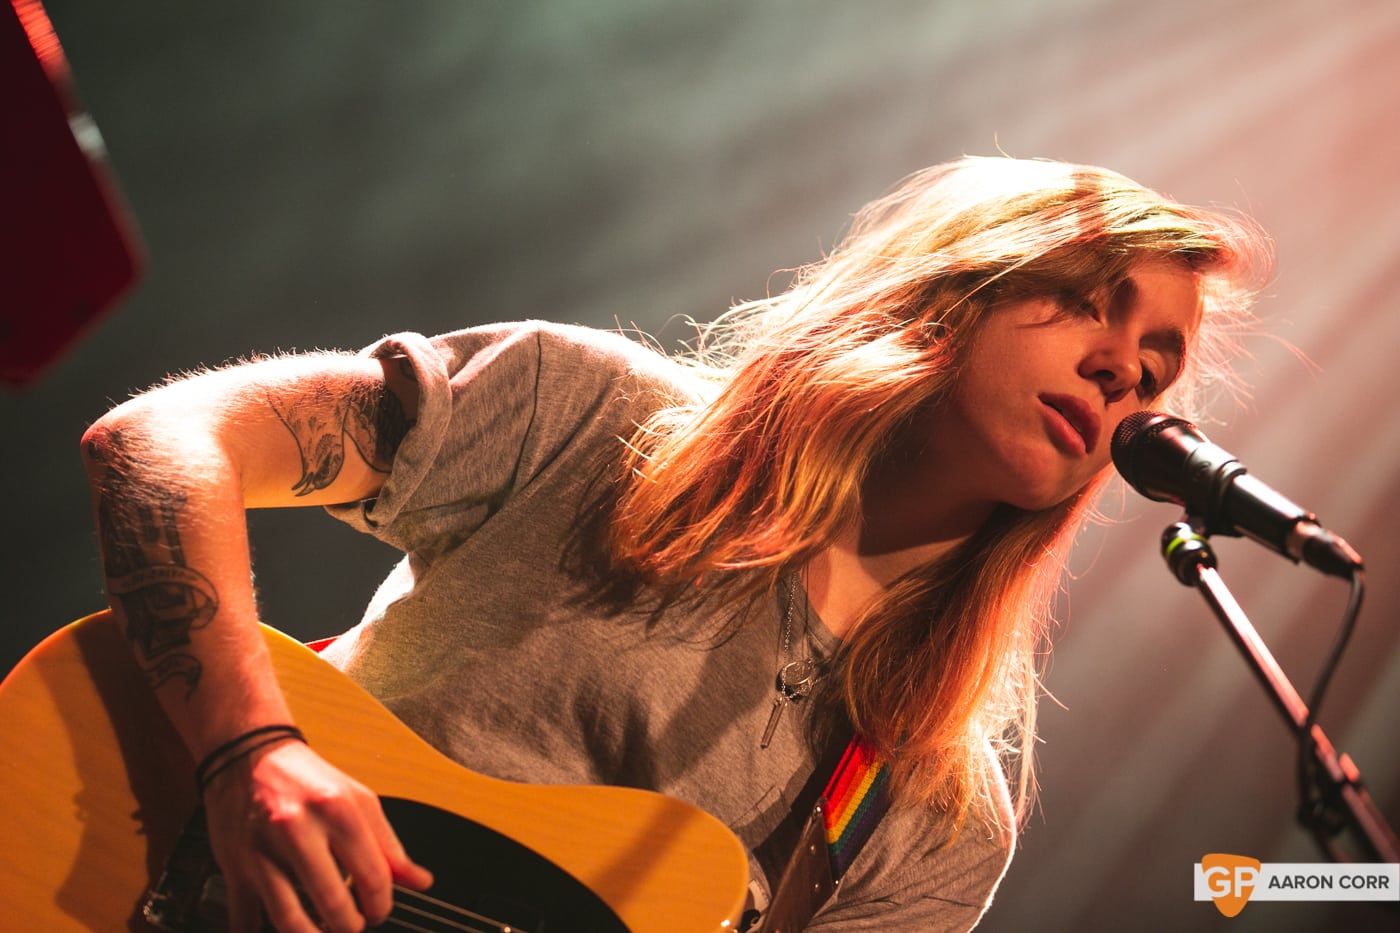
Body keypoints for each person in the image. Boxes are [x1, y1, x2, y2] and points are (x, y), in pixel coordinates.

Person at [80, 155, 1267, 932]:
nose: (1123, 369)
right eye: (1088, 299)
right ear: (949, 289)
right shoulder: (587, 413)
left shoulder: (937, 815)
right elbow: (160, 438)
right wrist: (250, 755)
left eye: (1155, 369)